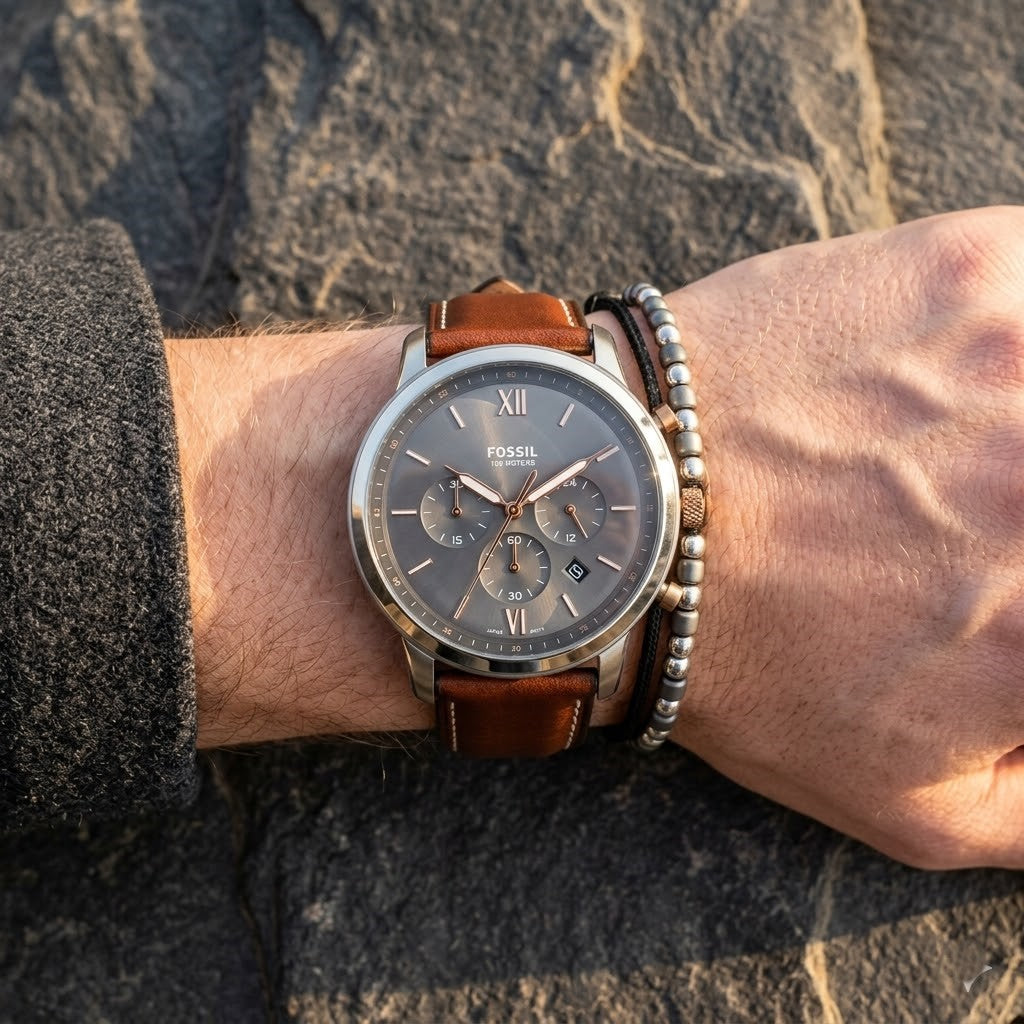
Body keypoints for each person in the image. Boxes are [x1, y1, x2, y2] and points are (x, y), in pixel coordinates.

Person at [2, 206, 1022, 870]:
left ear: (678, 499)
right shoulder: (402, 513)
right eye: (498, 506)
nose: (511, 514)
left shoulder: (492, 450)